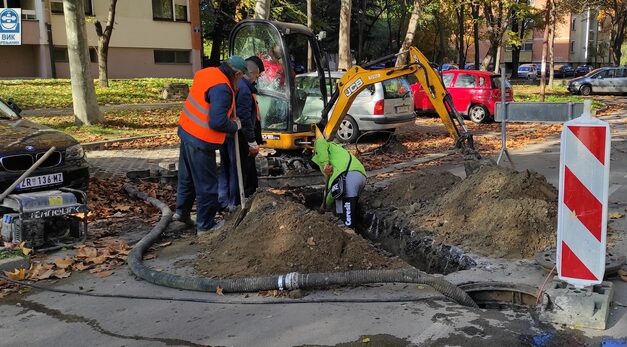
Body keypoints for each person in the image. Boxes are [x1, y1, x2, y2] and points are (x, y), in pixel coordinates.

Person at [174, 56, 248, 234]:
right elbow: (217, 122)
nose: (240, 80)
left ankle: (182, 213)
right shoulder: (223, 89)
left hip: (186, 131)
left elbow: (206, 103)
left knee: (187, 178)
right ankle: (205, 226)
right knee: (207, 185)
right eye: (240, 77)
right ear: (236, 73)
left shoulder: (207, 73)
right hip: (201, 140)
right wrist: (235, 125)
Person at [218, 56, 264, 211]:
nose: (256, 80)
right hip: (238, 137)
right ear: (250, 73)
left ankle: (223, 200)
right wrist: (252, 141)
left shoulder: (237, 86)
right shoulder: (244, 90)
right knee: (237, 170)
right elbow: (245, 119)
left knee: (226, 168)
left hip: (227, 135)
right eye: (257, 76)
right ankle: (234, 204)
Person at [311, 138, 367, 228]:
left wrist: (324, 163)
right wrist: (325, 205)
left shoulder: (323, 146)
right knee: (342, 206)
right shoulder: (338, 154)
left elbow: (320, 142)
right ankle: (346, 226)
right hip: (360, 176)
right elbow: (332, 193)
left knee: (348, 220)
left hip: (349, 177)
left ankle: (351, 236)